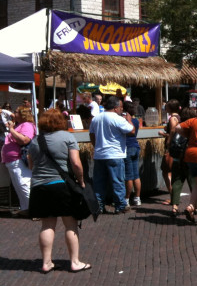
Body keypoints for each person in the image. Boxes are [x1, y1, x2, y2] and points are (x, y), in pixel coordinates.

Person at [28, 109, 91, 273]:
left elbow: (31, 165)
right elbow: (76, 164)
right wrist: (81, 181)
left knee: (47, 224)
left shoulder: (35, 140)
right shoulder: (67, 137)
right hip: (60, 185)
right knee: (70, 224)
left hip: (39, 186)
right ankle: (75, 261)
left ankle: (46, 262)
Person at [89, 96, 134, 214]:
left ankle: (99, 205)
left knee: (99, 182)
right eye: (121, 107)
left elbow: (92, 135)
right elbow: (132, 131)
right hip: (115, 154)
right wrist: (129, 119)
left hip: (100, 154)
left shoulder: (96, 118)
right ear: (115, 108)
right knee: (117, 181)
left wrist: (97, 146)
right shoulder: (118, 119)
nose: (121, 109)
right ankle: (120, 206)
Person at [1, 105, 36, 216]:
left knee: (23, 184)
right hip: (11, 160)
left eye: (16, 112)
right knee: (18, 185)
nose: (13, 114)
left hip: (18, 159)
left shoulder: (27, 125)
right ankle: (26, 208)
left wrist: (11, 129)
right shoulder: (20, 125)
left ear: (22, 115)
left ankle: (34, 209)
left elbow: (24, 140)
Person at [169, 107, 197, 218]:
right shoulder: (192, 128)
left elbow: (170, 142)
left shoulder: (177, 127)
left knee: (176, 182)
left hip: (177, 159)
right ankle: (194, 206)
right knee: (194, 184)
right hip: (189, 159)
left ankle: (174, 207)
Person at [159, 99, 181, 205]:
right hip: (175, 148)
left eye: (166, 107)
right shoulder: (178, 117)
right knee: (170, 171)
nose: (165, 108)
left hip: (171, 148)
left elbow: (173, 134)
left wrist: (164, 135)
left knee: (166, 170)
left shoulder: (172, 118)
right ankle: (173, 195)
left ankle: (173, 196)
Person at [123, 101, 142, 207]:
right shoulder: (136, 120)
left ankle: (126, 199)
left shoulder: (127, 121)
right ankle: (137, 198)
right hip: (135, 146)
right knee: (136, 175)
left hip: (128, 147)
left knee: (129, 176)